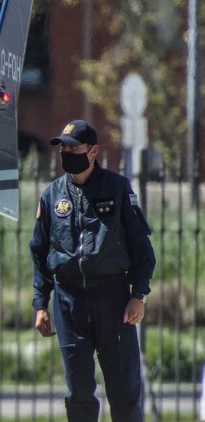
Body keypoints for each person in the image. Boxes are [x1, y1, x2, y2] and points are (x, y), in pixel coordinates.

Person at [29, 119, 156, 422]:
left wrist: (138, 295)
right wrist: (40, 304)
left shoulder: (118, 188)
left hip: (113, 299)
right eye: (63, 147)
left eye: (74, 147)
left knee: (124, 391)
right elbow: (40, 251)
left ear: (93, 151)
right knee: (79, 395)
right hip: (68, 301)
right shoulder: (52, 195)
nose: (66, 153)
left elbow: (141, 247)